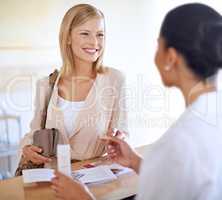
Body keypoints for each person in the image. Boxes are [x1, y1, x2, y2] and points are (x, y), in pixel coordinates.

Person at [51, 3, 222, 200]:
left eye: (158, 45)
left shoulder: (178, 144)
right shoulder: (209, 122)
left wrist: (82, 198)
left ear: (171, 57)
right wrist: (134, 161)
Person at [19, 4, 127, 166]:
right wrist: (26, 148)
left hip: (95, 178)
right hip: (51, 178)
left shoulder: (114, 79)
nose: (94, 42)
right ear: (68, 37)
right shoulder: (46, 85)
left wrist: (118, 140)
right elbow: (34, 132)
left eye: (100, 35)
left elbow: (122, 131)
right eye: (85, 34)